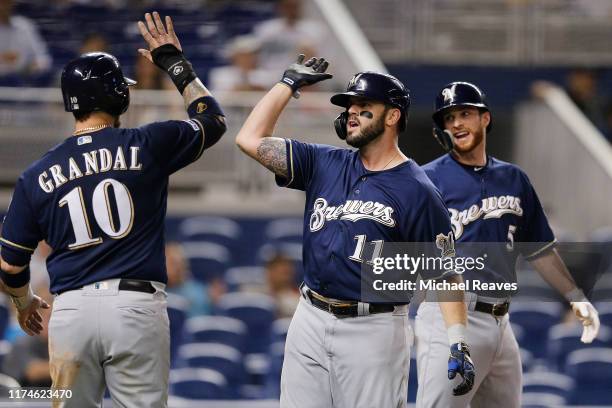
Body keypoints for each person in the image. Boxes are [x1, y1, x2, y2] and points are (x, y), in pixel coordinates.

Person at [0, 11, 226, 408]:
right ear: (117, 94)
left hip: (70, 313)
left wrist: (24, 305)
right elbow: (213, 119)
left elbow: (10, 267)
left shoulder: (36, 174)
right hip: (134, 307)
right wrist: (175, 63)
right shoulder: (148, 142)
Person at [235, 57, 475, 407]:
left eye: (364, 106)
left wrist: (459, 340)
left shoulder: (418, 190)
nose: (351, 112)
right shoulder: (323, 162)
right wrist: (287, 84)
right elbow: (248, 138)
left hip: (373, 329)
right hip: (310, 317)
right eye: (349, 105)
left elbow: (445, 274)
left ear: (392, 116)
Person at [416, 81, 601, 408]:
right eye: (448, 118)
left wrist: (575, 297)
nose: (456, 123)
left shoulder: (514, 179)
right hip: (451, 318)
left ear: (485, 118)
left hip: (501, 321)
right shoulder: (427, 180)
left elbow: (539, 248)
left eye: (464, 113)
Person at [2, 285, 52, 387]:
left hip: (53, 398)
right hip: (20, 398)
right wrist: (71, 366)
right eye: (49, 317)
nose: (53, 323)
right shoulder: (23, 342)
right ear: (37, 318)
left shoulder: (59, 344)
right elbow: (33, 372)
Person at [0, 0, 51, 81]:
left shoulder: (25, 26)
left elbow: (42, 58)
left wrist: (35, 65)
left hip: (25, 80)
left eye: (7, 2)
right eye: (2, 2)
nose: (4, 6)